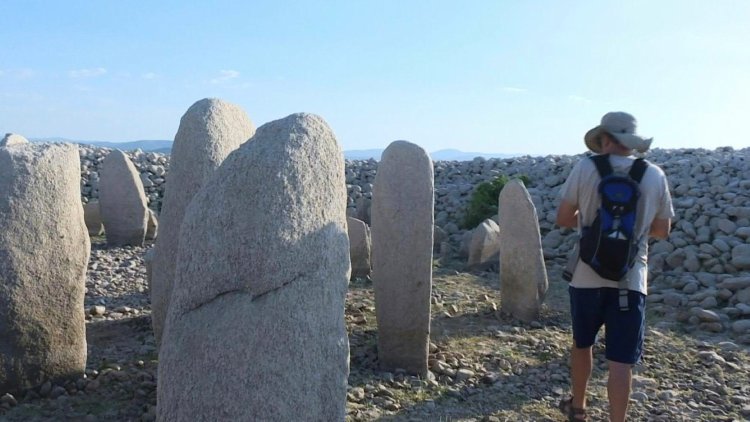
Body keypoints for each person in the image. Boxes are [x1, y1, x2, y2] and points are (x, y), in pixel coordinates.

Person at [555, 111, 674, 422]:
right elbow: (663, 230)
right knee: (621, 361)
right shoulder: (654, 175)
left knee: (583, 344)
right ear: (631, 143)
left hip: (585, 276)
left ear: (605, 140)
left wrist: (592, 225)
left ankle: (578, 407)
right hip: (631, 280)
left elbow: (564, 219)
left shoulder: (585, 168)